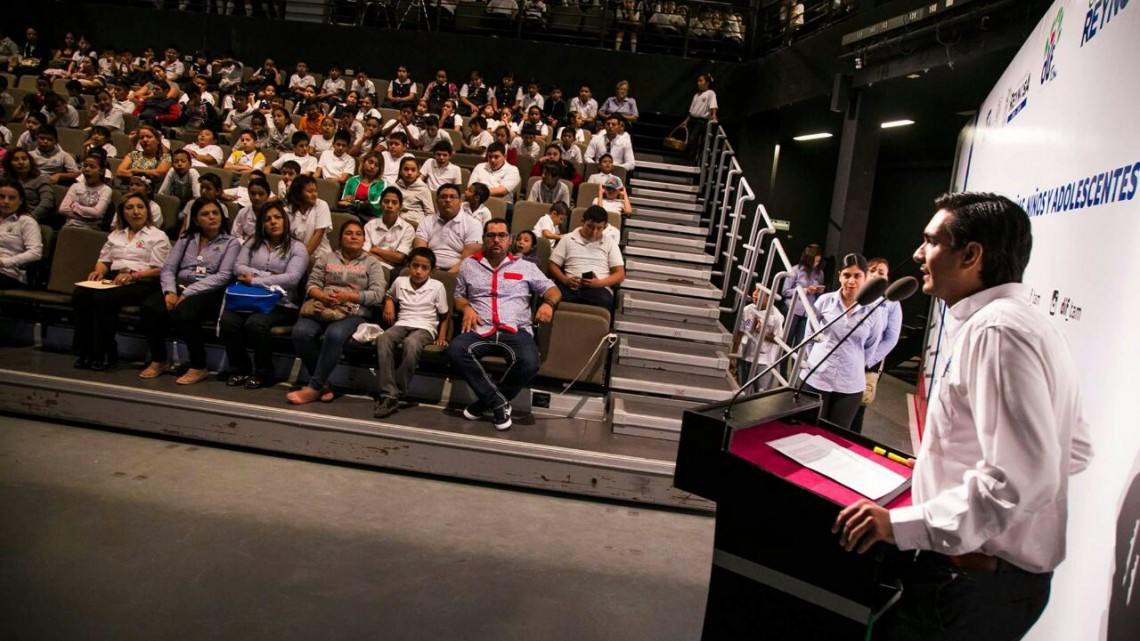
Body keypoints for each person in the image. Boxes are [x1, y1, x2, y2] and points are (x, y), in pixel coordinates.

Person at [834, 192, 1094, 641]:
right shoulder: (1027, 323)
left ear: (971, 254)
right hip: (997, 583)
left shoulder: (997, 331)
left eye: (931, 241)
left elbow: (1023, 478)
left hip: (969, 585)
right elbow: (1074, 450)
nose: (917, 254)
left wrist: (901, 526)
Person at [450, 218, 561, 430]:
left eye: (501, 235)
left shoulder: (526, 267)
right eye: (491, 235)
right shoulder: (469, 265)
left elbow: (553, 290)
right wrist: (466, 307)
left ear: (509, 240)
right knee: (456, 350)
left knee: (530, 362)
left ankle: (487, 402)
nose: (496, 240)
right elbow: (459, 297)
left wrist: (548, 304)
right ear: (484, 239)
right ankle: (499, 403)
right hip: (481, 329)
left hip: (515, 329)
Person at [140, 197, 240, 385]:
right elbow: (169, 268)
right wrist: (170, 291)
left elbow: (223, 276)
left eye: (215, 213)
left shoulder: (231, 243)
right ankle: (159, 359)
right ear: (196, 220)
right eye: (205, 214)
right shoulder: (186, 239)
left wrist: (188, 292)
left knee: (185, 313)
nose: (212, 217)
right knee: (150, 307)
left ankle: (198, 365)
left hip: (209, 291)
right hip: (179, 287)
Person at [287, 219, 387, 405]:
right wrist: (322, 296)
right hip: (324, 307)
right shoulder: (326, 258)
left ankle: (313, 388)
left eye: (358, 234)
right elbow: (312, 284)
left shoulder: (372, 264)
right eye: (349, 233)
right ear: (340, 238)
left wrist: (349, 296)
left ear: (364, 239)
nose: (354, 237)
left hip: (355, 313)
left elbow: (378, 294)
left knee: (334, 334)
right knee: (300, 332)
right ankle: (323, 384)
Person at [72, 193, 171, 371]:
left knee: (103, 299)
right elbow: (104, 261)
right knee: (81, 294)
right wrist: (99, 272)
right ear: (122, 213)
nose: (136, 212)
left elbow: (161, 269)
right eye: (129, 208)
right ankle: (85, 351)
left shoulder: (158, 236)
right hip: (116, 280)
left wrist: (134, 275)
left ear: (147, 211)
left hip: (144, 283)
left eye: (140, 207)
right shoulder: (116, 235)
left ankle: (105, 352)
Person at [221, 200, 308, 390]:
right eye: (268, 219)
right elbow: (238, 268)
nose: (273, 222)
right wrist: (270, 276)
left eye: (277, 218)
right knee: (228, 321)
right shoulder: (253, 242)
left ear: (285, 221)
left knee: (256, 323)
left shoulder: (297, 247)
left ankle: (264, 374)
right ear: (262, 224)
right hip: (249, 298)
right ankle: (240, 369)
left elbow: (292, 279)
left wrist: (254, 279)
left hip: (282, 303)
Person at [797, 253, 881, 430]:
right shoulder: (824, 301)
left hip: (849, 385)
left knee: (836, 436)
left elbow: (870, 348)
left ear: (865, 277)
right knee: (807, 430)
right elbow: (809, 337)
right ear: (839, 276)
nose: (852, 281)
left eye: (857, 276)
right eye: (847, 275)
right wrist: (816, 362)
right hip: (816, 377)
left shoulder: (874, 311)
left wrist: (853, 364)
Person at [372, 247, 451, 418]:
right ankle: (388, 392)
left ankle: (396, 392)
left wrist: (442, 336)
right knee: (384, 338)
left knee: (412, 343)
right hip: (403, 322)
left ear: (432, 270)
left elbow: (445, 315)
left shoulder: (437, 286)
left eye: (424, 268)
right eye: (415, 266)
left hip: (426, 326)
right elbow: (389, 295)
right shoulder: (400, 281)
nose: (418, 271)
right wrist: (389, 302)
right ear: (408, 265)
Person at [849, 257, 903, 434]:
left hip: (868, 364)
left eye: (881, 273)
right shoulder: (852, 293)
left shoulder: (892, 304)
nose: (875, 275)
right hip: (844, 357)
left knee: (856, 408)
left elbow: (891, 339)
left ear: (887, 279)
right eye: (872, 270)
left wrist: (866, 360)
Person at [548, 205, 625, 310]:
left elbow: (620, 274)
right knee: (550, 299)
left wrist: (599, 283)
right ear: (582, 222)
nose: (594, 232)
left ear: (605, 227)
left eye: (599, 228)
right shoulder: (567, 239)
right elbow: (553, 265)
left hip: (598, 289)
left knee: (605, 301)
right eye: (590, 226)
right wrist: (565, 280)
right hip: (570, 287)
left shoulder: (610, 243)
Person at [413, 184, 483, 273]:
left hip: (459, 272)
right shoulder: (426, 221)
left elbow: (468, 260)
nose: (448, 200)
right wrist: (429, 271)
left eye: (452, 197)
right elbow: (419, 252)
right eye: (443, 197)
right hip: (427, 270)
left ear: (460, 201)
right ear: (436, 201)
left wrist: (447, 275)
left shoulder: (473, 224)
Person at [731, 285, 784, 391]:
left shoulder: (777, 316)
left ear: (769, 296)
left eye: (759, 292)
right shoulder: (747, 309)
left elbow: (779, 340)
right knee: (742, 389)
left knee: (760, 392)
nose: (754, 293)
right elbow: (740, 333)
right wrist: (734, 354)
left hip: (763, 361)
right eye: (754, 290)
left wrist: (762, 332)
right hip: (745, 356)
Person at [0, 177, 44, 290]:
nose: (6, 201)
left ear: (20, 201)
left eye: (12, 198)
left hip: (9, 273)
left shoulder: (26, 221)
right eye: (2, 197)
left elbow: (36, 252)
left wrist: (4, 262)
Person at [782, 243, 825, 347]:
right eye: (814, 261)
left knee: (801, 344)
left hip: (808, 313)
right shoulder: (795, 270)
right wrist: (805, 290)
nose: (816, 264)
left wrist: (819, 291)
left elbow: (817, 295)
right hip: (793, 310)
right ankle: (780, 363)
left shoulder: (820, 273)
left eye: (818, 262)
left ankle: (795, 363)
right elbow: (785, 291)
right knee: (786, 341)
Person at [362, 187, 415, 271]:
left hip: (393, 271)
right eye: (386, 202)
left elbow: (399, 257)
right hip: (369, 265)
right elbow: (364, 253)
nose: (390, 206)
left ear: (400, 206)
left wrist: (376, 250)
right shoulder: (370, 225)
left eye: (394, 203)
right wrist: (388, 261)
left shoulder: (408, 229)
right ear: (380, 204)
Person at [58, 152, 113, 229]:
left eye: (92, 167)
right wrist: (87, 219)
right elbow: (63, 209)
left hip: (91, 230)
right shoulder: (75, 186)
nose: (87, 169)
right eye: (85, 166)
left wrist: (76, 207)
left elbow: (96, 213)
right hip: (69, 226)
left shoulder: (106, 190)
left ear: (101, 171)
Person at [285, 175, 333, 257]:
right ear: (298, 193)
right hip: (294, 255)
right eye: (310, 191)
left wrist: (302, 259)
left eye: (315, 191)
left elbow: (318, 235)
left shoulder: (321, 205)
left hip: (320, 256)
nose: (314, 194)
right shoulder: (287, 210)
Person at [2, 149, 54, 221]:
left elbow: (47, 202)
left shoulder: (40, 180)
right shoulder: (3, 179)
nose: (21, 162)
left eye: (24, 159)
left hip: (27, 218)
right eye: (15, 159)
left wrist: (31, 216)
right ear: (9, 163)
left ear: (30, 161)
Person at [677, 73, 718, 158]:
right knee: (689, 140)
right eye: (698, 81)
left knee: (693, 139)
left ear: (707, 83)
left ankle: (691, 160)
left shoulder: (710, 93)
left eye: (701, 81)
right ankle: (688, 157)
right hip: (693, 119)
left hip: (701, 121)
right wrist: (686, 121)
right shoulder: (696, 95)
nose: (698, 83)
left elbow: (713, 105)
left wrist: (714, 115)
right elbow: (692, 111)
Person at [469, 142, 522, 209]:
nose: (492, 160)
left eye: (496, 157)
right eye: (490, 157)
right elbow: (471, 187)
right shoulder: (480, 166)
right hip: (478, 202)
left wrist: (478, 193)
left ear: (505, 157)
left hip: (502, 205)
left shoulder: (513, 170)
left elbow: (502, 191)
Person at [338, 151, 386, 220]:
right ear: (363, 162)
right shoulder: (352, 180)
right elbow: (344, 201)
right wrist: (347, 201)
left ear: (379, 169)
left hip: (371, 218)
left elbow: (377, 205)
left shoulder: (382, 184)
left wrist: (354, 203)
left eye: (376, 165)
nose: (372, 166)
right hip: (351, 214)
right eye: (370, 162)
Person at [393, 157, 435, 225]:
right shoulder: (393, 187)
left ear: (418, 173)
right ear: (400, 171)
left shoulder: (423, 189)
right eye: (406, 169)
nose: (409, 173)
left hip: (416, 223)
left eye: (413, 170)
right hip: (397, 221)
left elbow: (430, 214)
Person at [229, 177, 272, 243]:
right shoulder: (243, 213)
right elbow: (235, 236)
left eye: (261, 194)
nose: (257, 198)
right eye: (253, 193)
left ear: (268, 195)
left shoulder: (274, 214)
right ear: (248, 194)